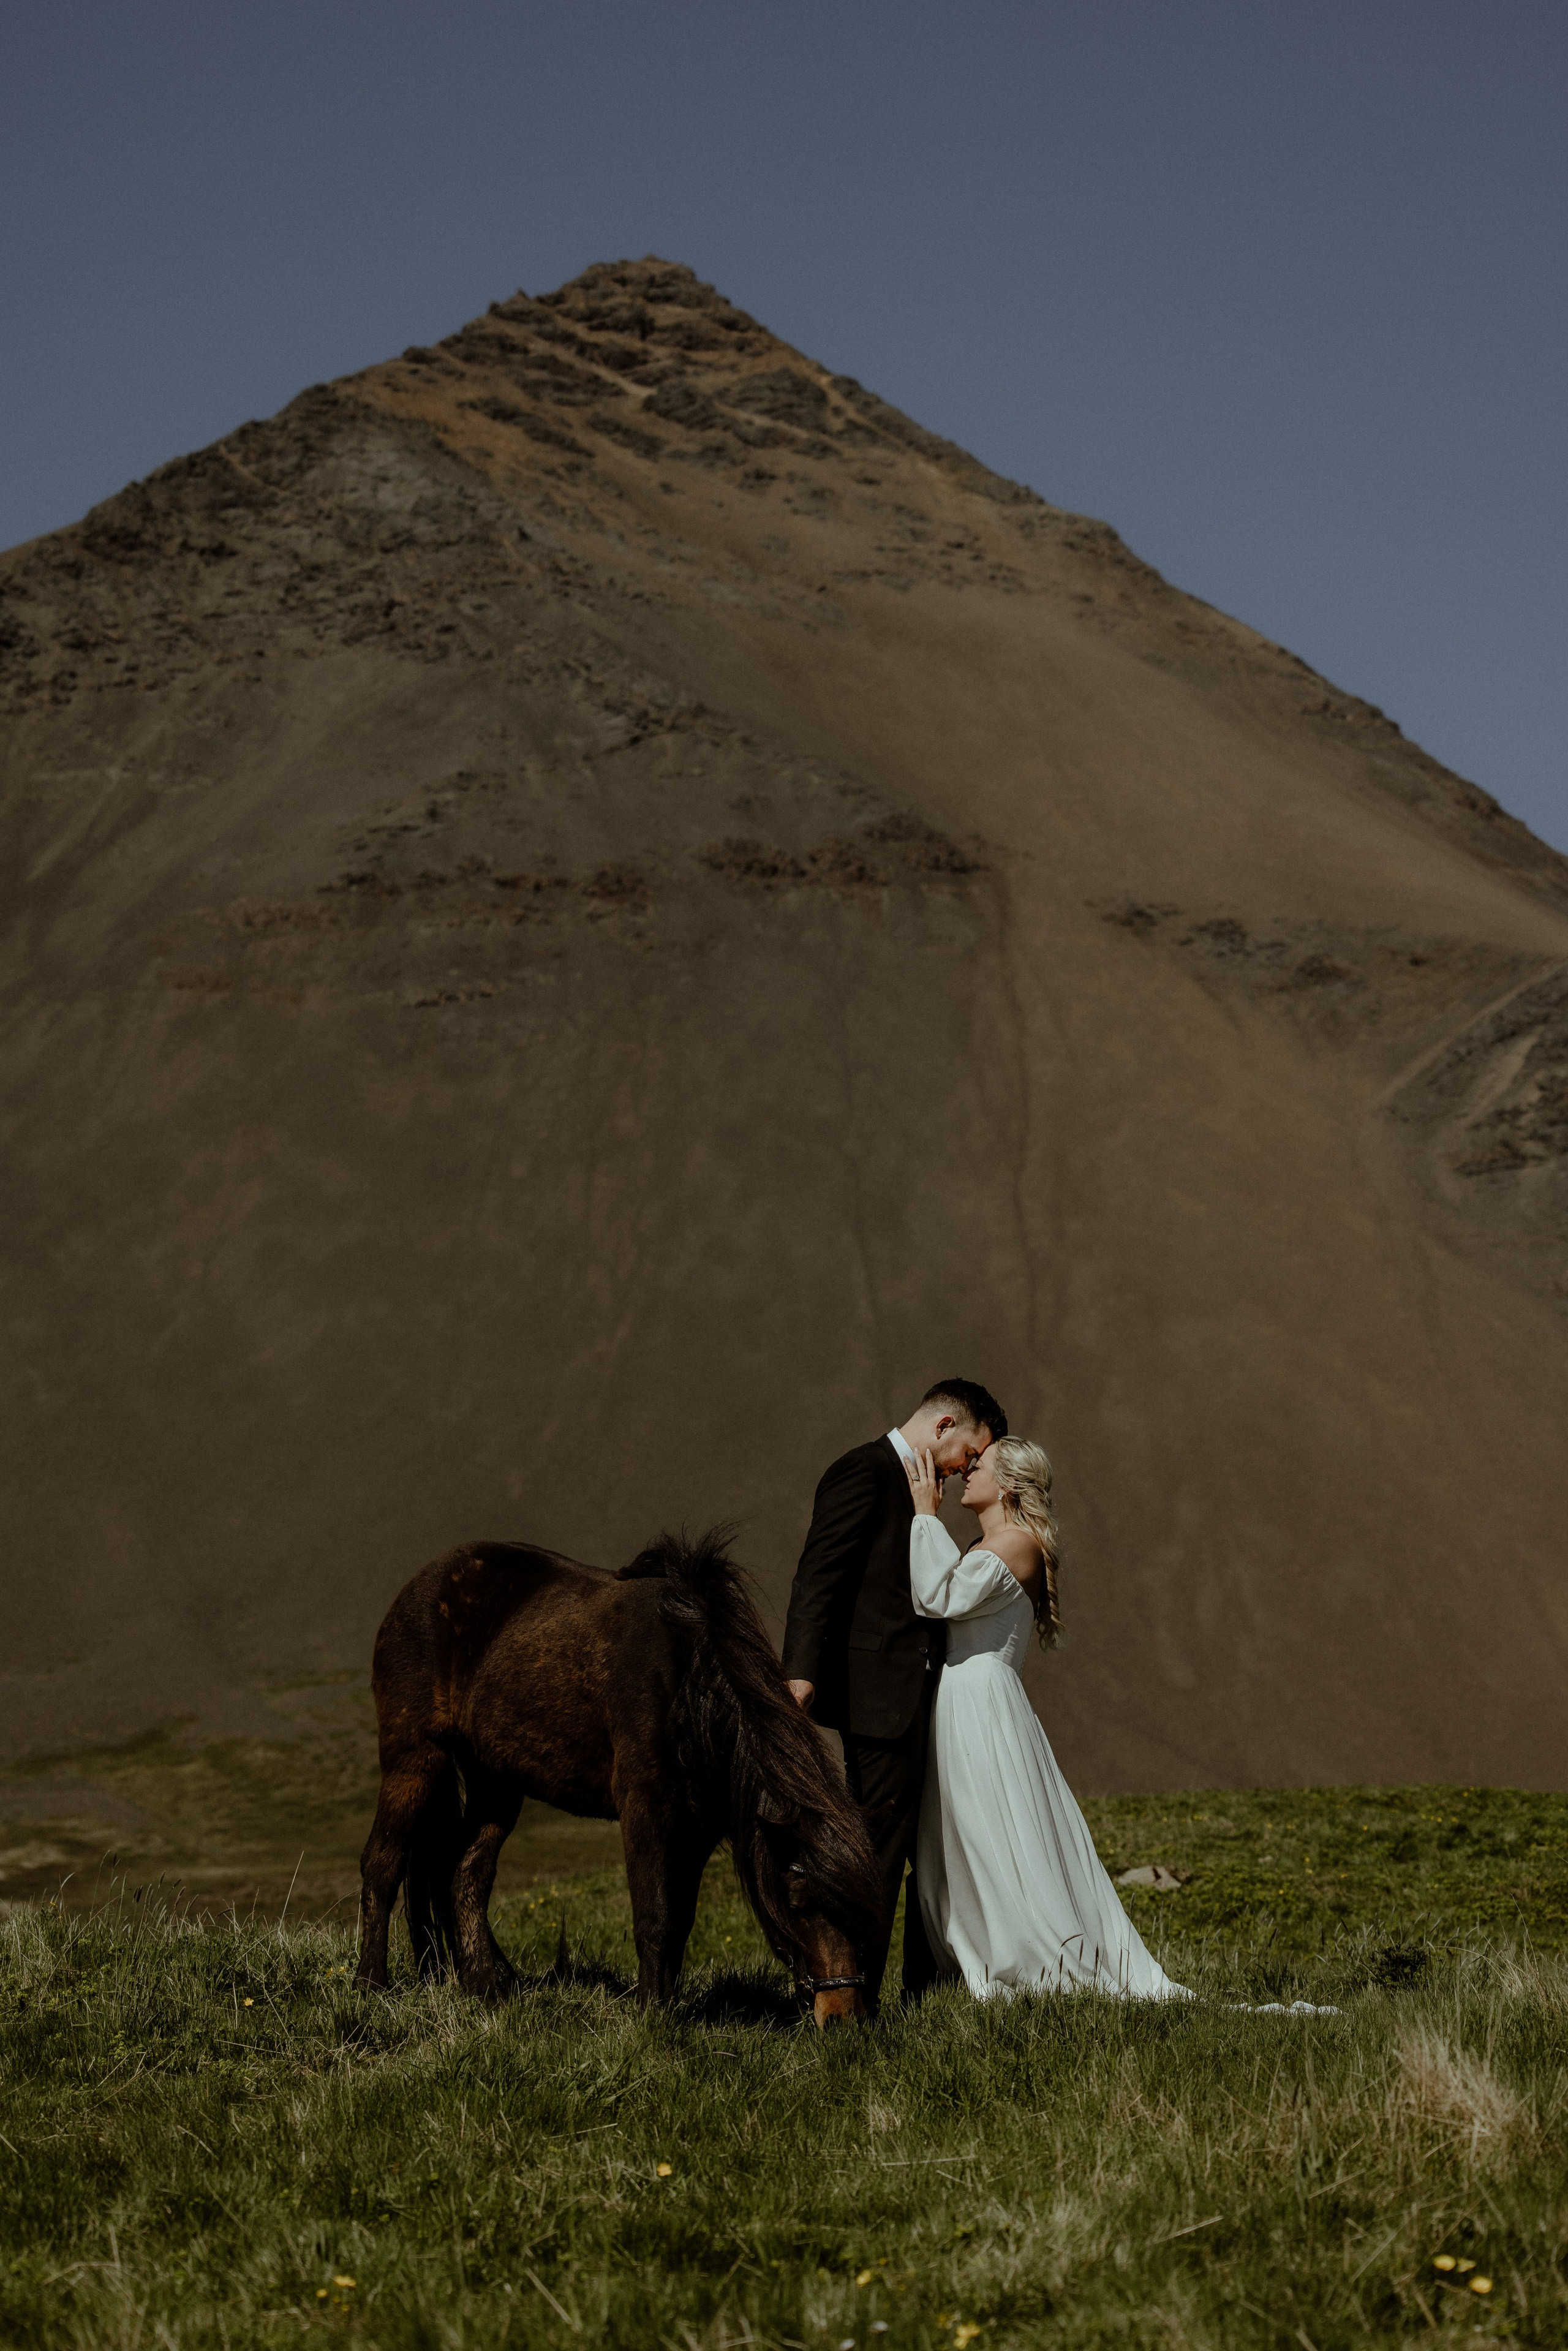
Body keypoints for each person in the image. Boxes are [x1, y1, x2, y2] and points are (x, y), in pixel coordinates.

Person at [905, 1435, 1191, 2001]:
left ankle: (1023, 1957)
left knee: (990, 1831)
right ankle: (971, 1955)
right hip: (961, 1701)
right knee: (964, 1836)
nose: (967, 1471)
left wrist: (924, 1517)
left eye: (979, 1465)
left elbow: (940, 1597)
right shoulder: (988, 1543)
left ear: (1008, 1485)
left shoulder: (1018, 1544)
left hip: (983, 1706)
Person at [781, 1379, 1006, 2008]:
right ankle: (854, 2000)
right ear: (944, 1426)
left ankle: (904, 1987)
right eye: (970, 1451)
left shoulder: (920, 1485)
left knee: (906, 1846)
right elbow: (817, 1576)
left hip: (919, 1695)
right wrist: (799, 1674)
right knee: (875, 1850)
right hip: (878, 1697)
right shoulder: (863, 1469)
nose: (967, 1467)